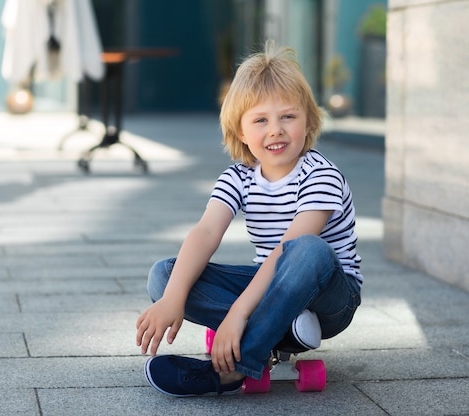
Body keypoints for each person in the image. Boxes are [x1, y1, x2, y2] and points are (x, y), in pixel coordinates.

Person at [135, 41, 363, 397]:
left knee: (308, 250)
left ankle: (230, 371)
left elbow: (291, 249)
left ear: (308, 119)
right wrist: (173, 298)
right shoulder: (238, 176)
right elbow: (207, 231)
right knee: (165, 275)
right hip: (269, 287)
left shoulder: (321, 174)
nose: (276, 130)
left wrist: (238, 314)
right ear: (241, 131)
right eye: (260, 120)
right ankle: (285, 329)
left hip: (331, 298)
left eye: (288, 116)